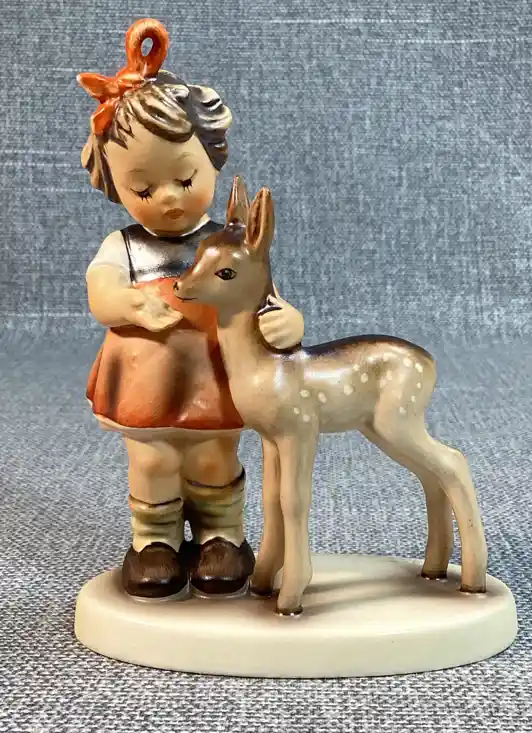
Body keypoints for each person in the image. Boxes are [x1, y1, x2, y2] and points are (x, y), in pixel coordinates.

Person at [78, 18, 304, 599]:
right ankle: (152, 541)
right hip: (145, 382)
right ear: (115, 185)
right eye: (144, 189)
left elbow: (263, 298)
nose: (169, 198)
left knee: (212, 456)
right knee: (152, 460)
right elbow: (100, 290)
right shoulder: (125, 246)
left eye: (184, 177)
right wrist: (127, 304)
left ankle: (220, 536)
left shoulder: (225, 245)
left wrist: (286, 322)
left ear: (212, 161)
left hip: (215, 374)